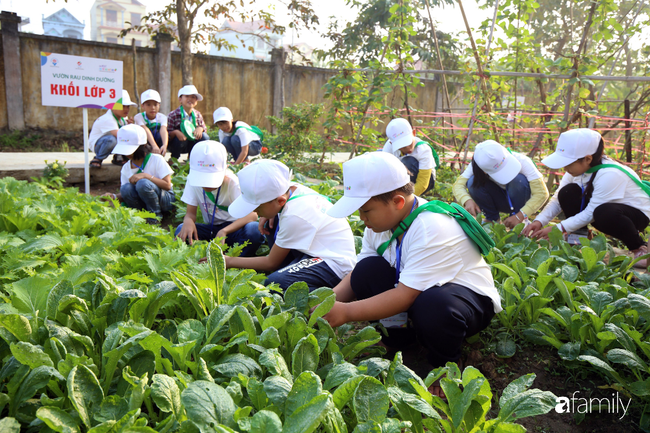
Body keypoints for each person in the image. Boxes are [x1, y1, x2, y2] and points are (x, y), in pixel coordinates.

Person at [323, 152, 501, 391]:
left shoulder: (431, 226)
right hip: (413, 292)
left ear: (397, 201)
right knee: (366, 270)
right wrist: (326, 303)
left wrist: (344, 312)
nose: (361, 218)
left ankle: (445, 364)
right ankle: (400, 340)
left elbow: (404, 296)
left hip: (463, 302)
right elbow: (359, 275)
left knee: (433, 304)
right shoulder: (378, 225)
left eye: (366, 210)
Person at [523, 128, 650, 267]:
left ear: (588, 159)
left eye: (568, 163)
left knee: (604, 212)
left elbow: (590, 213)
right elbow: (557, 200)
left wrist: (559, 228)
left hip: (635, 215)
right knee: (567, 193)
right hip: (601, 210)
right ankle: (577, 239)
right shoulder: (576, 171)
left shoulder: (610, 174)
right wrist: (539, 221)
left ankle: (638, 247)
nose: (565, 168)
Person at [226, 160, 357, 291]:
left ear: (280, 201)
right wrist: (267, 213)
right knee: (273, 221)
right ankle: (289, 270)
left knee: (275, 284)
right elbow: (274, 206)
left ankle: (328, 296)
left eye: (258, 208)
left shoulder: (294, 215)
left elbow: (271, 262)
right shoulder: (291, 190)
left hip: (334, 264)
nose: (255, 212)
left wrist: (229, 261)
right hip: (315, 249)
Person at [175, 141, 264, 257]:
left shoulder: (233, 183)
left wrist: (224, 231)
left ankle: (237, 260)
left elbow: (252, 215)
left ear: (225, 169)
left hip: (234, 229)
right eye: (202, 179)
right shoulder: (192, 181)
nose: (207, 185)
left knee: (254, 230)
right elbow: (190, 214)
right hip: (211, 230)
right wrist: (188, 221)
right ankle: (204, 256)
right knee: (181, 229)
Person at [453, 140, 549, 228]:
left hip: (521, 201)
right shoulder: (478, 165)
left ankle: (519, 221)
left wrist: (520, 216)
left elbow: (542, 193)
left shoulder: (523, 161)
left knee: (518, 180)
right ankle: (492, 219)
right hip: (500, 200)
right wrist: (467, 200)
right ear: (484, 171)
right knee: (472, 182)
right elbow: (458, 185)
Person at [105, 124, 175, 223]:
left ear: (142, 146)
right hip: (144, 202)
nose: (126, 154)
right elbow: (126, 193)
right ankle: (141, 216)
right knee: (125, 188)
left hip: (165, 199)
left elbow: (167, 185)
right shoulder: (126, 168)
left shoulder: (156, 159)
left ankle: (155, 217)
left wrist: (146, 176)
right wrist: (114, 196)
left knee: (143, 183)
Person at [382, 118, 437, 195]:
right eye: (403, 146)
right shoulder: (389, 148)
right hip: (401, 177)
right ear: (391, 143)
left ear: (414, 133)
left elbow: (423, 182)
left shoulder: (423, 149)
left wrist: (408, 200)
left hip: (426, 179)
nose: (408, 148)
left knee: (408, 162)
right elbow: (385, 172)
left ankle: (407, 195)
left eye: (409, 142)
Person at [88, 89, 137, 168]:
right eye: (122, 106)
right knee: (114, 139)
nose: (126, 109)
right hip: (98, 145)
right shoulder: (108, 118)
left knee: (122, 138)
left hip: (111, 142)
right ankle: (98, 158)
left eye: (127, 106)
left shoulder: (123, 119)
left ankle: (118, 158)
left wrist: (129, 126)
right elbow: (120, 136)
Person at [167, 85, 209, 159]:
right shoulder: (173, 115)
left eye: (193, 97)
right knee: (178, 139)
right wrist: (176, 132)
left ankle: (192, 158)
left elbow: (204, 129)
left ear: (196, 101)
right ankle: (174, 158)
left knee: (204, 137)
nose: (190, 99)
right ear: (180, 99)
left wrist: (200, 129)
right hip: (178, 144)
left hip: (192, 142)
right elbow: (167, 134)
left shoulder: (197, 114)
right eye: (187, 96)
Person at [134, 89, 168, 156]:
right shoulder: (138, 117)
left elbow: (163, 130)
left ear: (159, 105)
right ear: (142, 106)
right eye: (148, 105)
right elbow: (145, 130)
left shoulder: (162, 117)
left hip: (157, 141)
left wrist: (165, 145)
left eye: (155, 105)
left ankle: (160, 153)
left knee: (161, 135)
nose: (152, 108)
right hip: (145, 143)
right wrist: (154, 146)